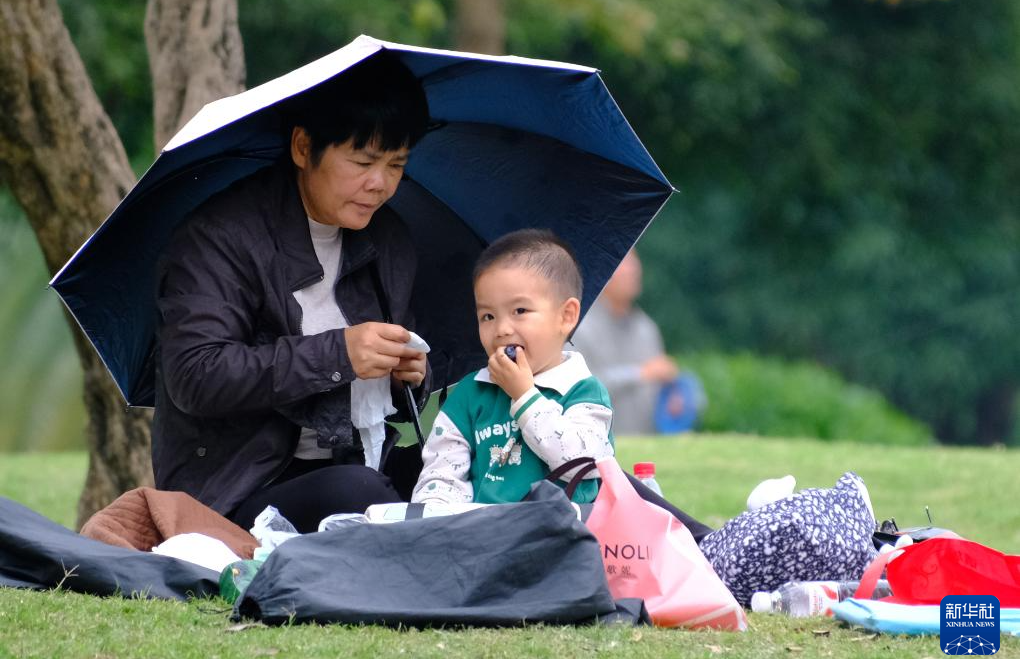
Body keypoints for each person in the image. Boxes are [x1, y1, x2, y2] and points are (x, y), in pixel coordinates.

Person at [152, 53, 432, 533]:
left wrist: (410, 375)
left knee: (464, 472)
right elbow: (196, 375)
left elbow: (390, 395)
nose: (380, 184)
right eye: (363, 161)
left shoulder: (389, 240)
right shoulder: (220, 237)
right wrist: (339, 353)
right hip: (238, 488)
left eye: (396, 164)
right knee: (360, 495)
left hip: (356, 465)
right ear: (303, 147)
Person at [411, 229, 613, 504]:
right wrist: (440, 512)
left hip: (561, 526)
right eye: (488, 316)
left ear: (566, 316)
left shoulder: (582, 391)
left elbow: (584, 464)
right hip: (487, 526)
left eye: (520, 311)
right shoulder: (470, 393)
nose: (502, 329)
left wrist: (525, 396)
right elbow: (442, 473)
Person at [571, 250, 695, 435]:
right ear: (602, 271)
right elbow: (577, 389)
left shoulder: (646, 328)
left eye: (634, 262)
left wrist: (674, 395)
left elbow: (659, 390)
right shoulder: (579, 327)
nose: (633, 270)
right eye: (625, 263)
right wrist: (639, 374)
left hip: (648, 444)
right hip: (595, 442)